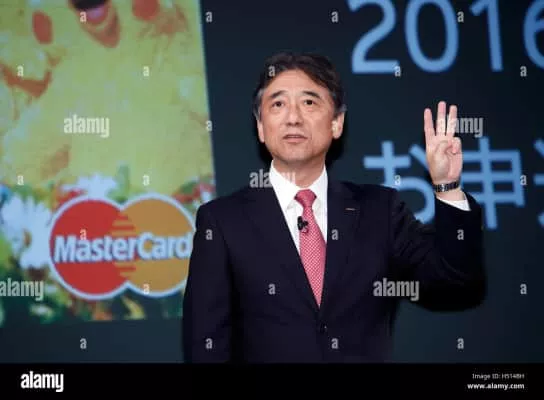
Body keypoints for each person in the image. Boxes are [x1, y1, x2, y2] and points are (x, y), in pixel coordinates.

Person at [182, 51, 486, 363]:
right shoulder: (223, 222)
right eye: (278, 104)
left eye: (309, 102)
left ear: (337, 123)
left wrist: (447, 185)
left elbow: (456, 282)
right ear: (261, 127)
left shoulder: (380, 211)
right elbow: (205, 346)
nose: (293, 117)